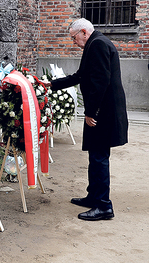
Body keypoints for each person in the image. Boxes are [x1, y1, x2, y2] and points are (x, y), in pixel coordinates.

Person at [43, 18, 128, 221]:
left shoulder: (97, 44)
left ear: (83, 32)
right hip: (102, 110)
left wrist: (91, 111)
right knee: (94, 155)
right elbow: (81, 75)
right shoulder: (95, 42)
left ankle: (104, 206)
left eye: (74, 37)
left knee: (99, 157)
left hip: (103, 112)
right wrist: (50, 85)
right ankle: (93, 196)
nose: (74, 41)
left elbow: (100, 82)